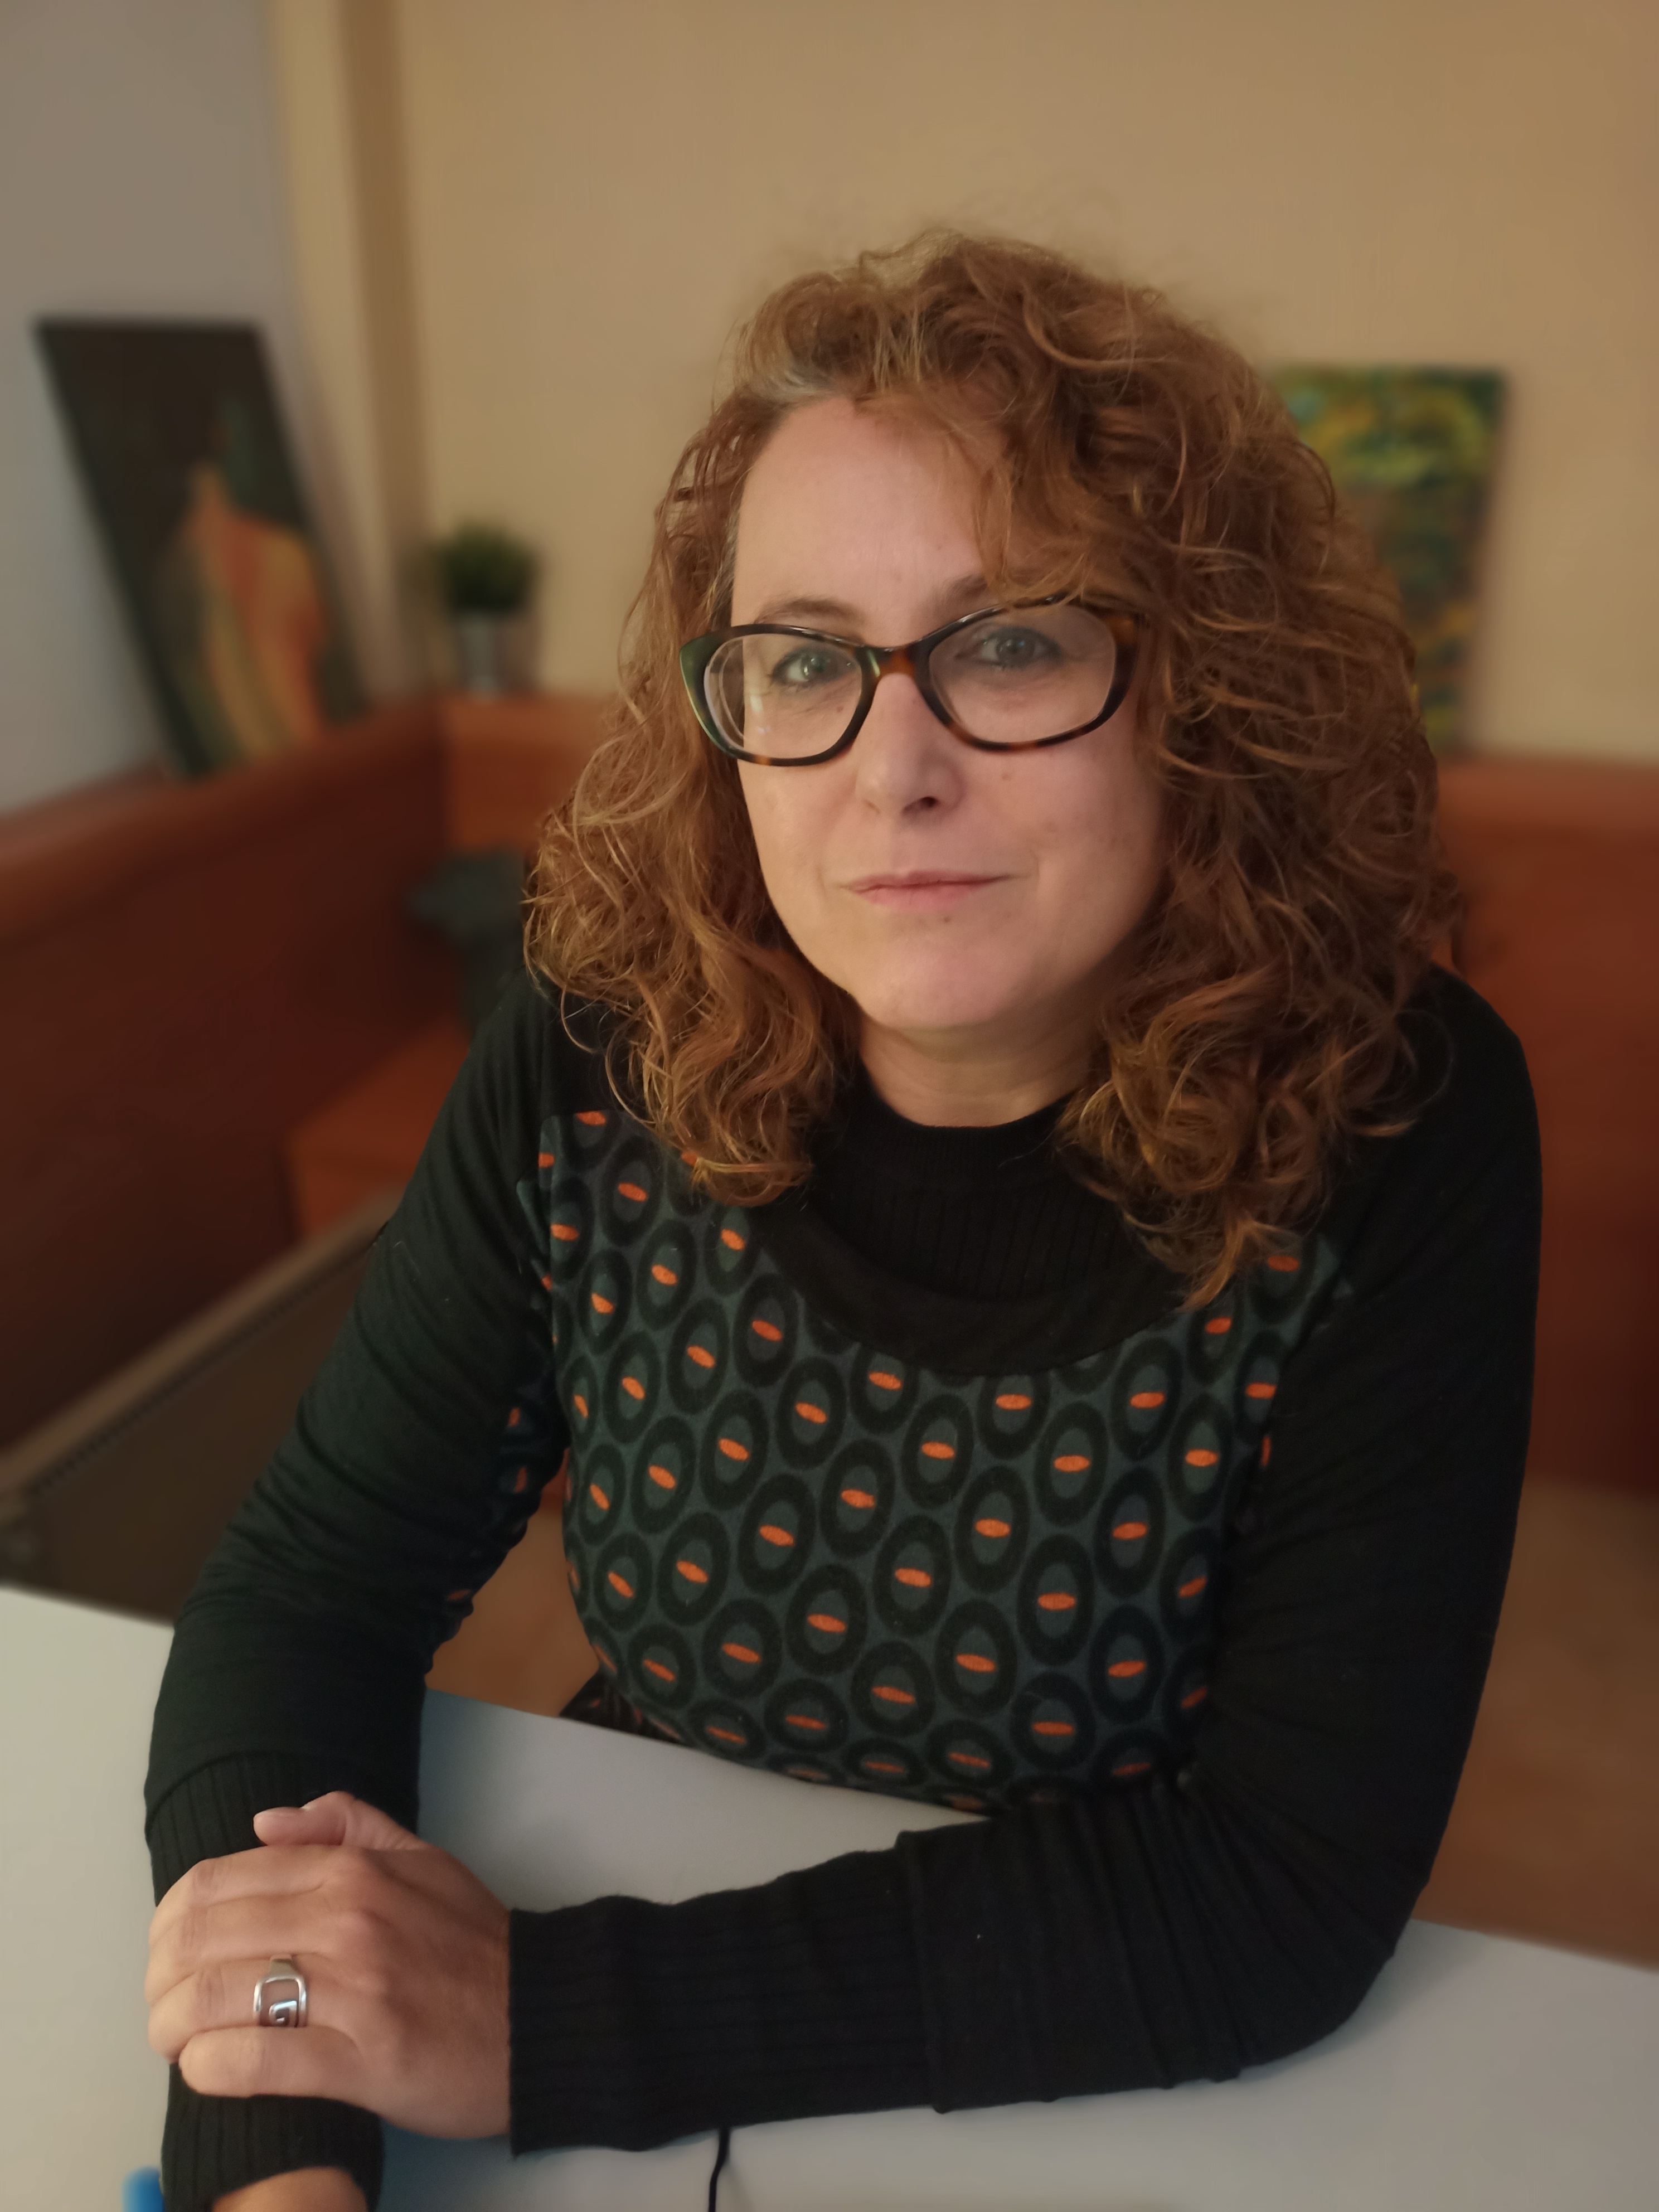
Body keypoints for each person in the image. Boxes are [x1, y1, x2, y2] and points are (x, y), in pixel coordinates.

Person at [142, 233, 1541, 2212]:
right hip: (658, 1883)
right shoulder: (603, 1049)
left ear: (1205, 693)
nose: (894, 771)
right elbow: (313, 1593)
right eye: (805, 660)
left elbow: (1277, 1881)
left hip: (1095, 2057)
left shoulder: (1400, 1115)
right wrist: (280, 2132)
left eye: (1013, 644)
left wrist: (542, 2020)